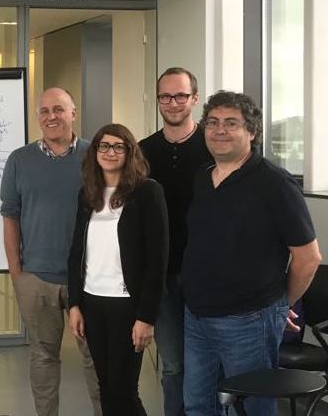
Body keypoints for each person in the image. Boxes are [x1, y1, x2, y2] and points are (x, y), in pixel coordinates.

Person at [181, 91, 322, 416]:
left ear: (252, 132)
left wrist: (279, 306)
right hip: (197, 317)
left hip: (248, 321)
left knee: (252, 409)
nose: (220, 130)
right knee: (197, 406)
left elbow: (308, 257)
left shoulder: (274, 183)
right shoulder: (203, 177)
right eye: (212, 122)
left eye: (231, 123)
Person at [0, 87, 101, 416]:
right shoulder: (19, 160)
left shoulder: (95, 156)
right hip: (36, 279)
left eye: (58, 109)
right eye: (44, 111)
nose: (51, 116)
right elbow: (10, 217)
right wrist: (18, 275)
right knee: (43, 359)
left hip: (88, 279)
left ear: (73, 113)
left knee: (97, 358)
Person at [68, 123, 168, 416]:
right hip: (92, 301)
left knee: (123, 390)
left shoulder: (147, 192)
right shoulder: (87, 194)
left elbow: (157, 259)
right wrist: (74, 304)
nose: (110, 152)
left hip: (127, 305)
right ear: (95, 152)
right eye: (104, 146)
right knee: (106, 388)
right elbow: (76, 252)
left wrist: (146, 317)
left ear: (129, 152)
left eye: (118, 147)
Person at [139, 67, 211, 416]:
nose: (173, 102)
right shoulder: (143, 152)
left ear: (194, 98)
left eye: (180, 95)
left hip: (208, 276)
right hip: (163, 277)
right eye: (165, 96)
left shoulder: (214, 146)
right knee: (173, 366)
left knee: (210, 362)